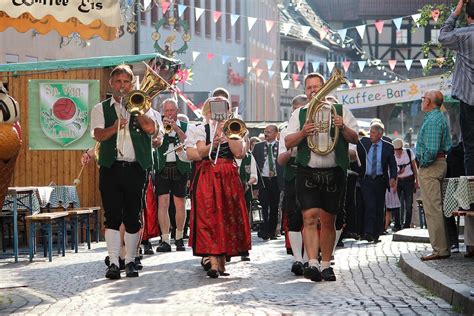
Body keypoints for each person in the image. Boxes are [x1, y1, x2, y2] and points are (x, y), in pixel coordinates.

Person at [285, 72, 359, 282]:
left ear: (325, 87)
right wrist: (303, 133)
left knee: (328, 220)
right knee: (308, 218)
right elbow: (288, 142)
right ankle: (313, 263)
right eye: (309, 88)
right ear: (305, 90)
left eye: (317, 86)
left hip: (334, 170)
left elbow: (355, 139)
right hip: (307, 171)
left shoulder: (340, 111)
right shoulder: (300, 113)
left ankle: (326, 264)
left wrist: (342, 126)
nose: (313, 91)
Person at [90, 64, 158, 279]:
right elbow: (98, 135)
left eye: (126, 82)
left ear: (132, 84)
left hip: (135, 168)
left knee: (132, 216)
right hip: (111, 167)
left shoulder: (143, 105)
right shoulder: (101, 108)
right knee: (111, 216)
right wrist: (116, 126)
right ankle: (112, 262)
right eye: (118, 82)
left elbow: (151, 129)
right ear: (111, 84)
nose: (122, 86)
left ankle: (130, 261)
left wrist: (136, 112)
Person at [190, 96, 251, 278]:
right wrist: (213, 143)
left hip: (229, 175)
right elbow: (200, 152)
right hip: (209, 174)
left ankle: (222, 264)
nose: (218, 113)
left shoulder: (233, 127)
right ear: (208, 111)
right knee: (209, 217)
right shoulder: (201, 128)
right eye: (215, 109)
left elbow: (239, 153)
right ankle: (213, 264)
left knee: (227, 216)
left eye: (223, 109)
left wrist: (228, 130)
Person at [438, 0, 474, 260]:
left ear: (468, 16)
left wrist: (456, 11)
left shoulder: (462, 35)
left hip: (468, 98)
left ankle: (472, 190)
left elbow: (442, 36)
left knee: (470, 145)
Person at [416, 90, 452, 261]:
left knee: (432, 209)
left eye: (423, 98)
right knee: (436, 208)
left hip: (431, 166)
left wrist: (423, 163)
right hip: (439, 163)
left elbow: (431, 150)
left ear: (429, 101)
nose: (422, 101)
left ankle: (440, 249)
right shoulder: (439, 118)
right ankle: (442, 246)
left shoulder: (432, 120)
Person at [154, 98, 191, 252]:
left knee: (179, 204)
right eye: (167, 111)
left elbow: (188, 141)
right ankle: (165, 239)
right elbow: (153, 142)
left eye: (172, 110)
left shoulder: (185, 126)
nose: (169, 113)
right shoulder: (158, 126)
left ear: (177, 111)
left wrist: (176, 128)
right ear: (163, 112)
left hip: (179, 168)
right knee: (162, 204)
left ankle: (179, 237)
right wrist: (160, 133)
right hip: (162, 167)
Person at [277, 94, 307, 275]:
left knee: (311, 218)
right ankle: (298, 258)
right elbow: (281, 160)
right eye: (296, 110)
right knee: (294, 217)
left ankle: (310, 256)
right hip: (293, 176)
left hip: (312, 174)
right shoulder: (286, 130)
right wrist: (291, 150)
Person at [357, 123, 397, 242]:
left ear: (380, 134)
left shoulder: (388, 147)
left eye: (373, 133)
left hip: (380, 180)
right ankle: (368, 232)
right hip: (366, 179)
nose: (371, 135)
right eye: (370, 132)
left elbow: (393, 164)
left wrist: (393, 177)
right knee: (370, 205)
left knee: (379, 207)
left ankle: (376, 234)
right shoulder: (364, 142)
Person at [253, 124, 284, 240]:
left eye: (269, 132)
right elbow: (254, 165)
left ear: (276, 133)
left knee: (275, 206)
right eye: (265, 131)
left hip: (276, 179)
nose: (266, 134)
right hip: (263, 179)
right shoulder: (258, 147)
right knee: (263, 205)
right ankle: (264, 230)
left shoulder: (281, 146)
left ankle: (272, 231)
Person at [392, 138, 419, 230]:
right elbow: (391, 170)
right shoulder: (392, 155)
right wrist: (394, 183)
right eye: (396, 150)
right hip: (398, 181)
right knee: (396, 203)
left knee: (408, 203)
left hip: (409, 180)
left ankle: (407, 225)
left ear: (401, 148)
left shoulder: (408, 152)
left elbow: (415, 168)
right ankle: (397, 224)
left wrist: (417, 181)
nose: (398, 152)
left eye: (399, 149)